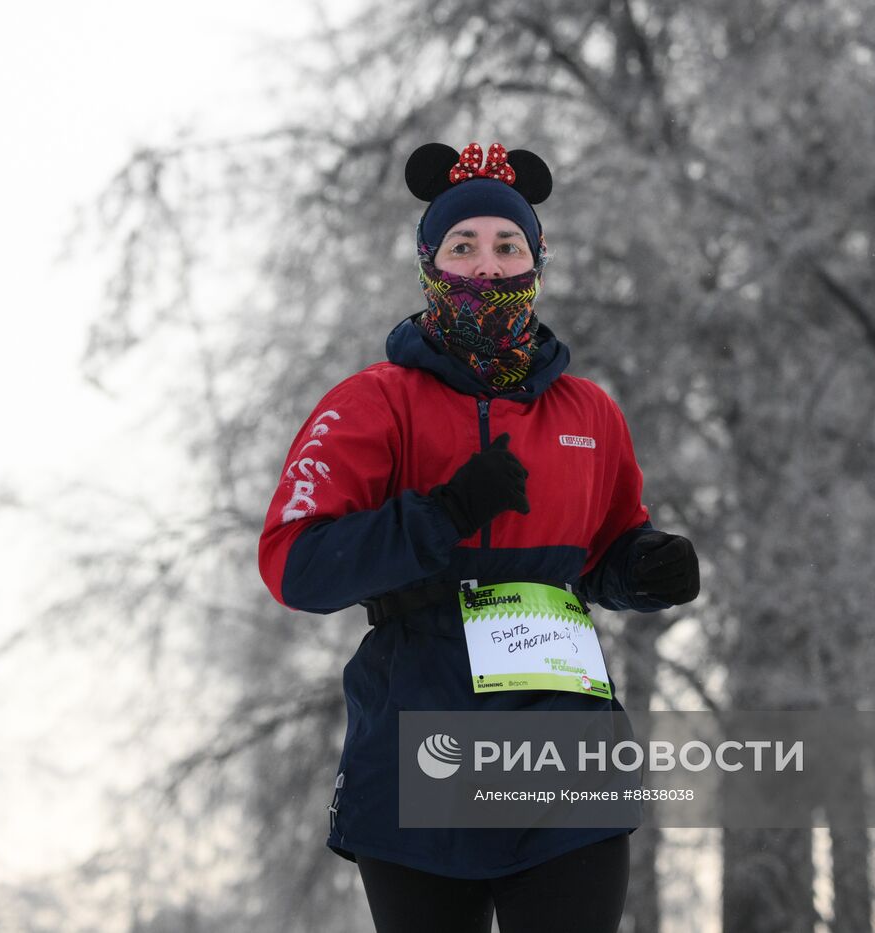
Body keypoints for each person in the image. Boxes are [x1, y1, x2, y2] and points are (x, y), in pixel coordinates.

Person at [258, 140, 700, 933]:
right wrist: (441, 513)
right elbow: (298, 564)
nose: (487, 267)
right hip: (421, 754)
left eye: (508, 246)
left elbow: (603, 549)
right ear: (430, 264)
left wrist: (644, 567)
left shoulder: (589, 412)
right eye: (463, 247)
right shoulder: (373, 403)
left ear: (538, 261)